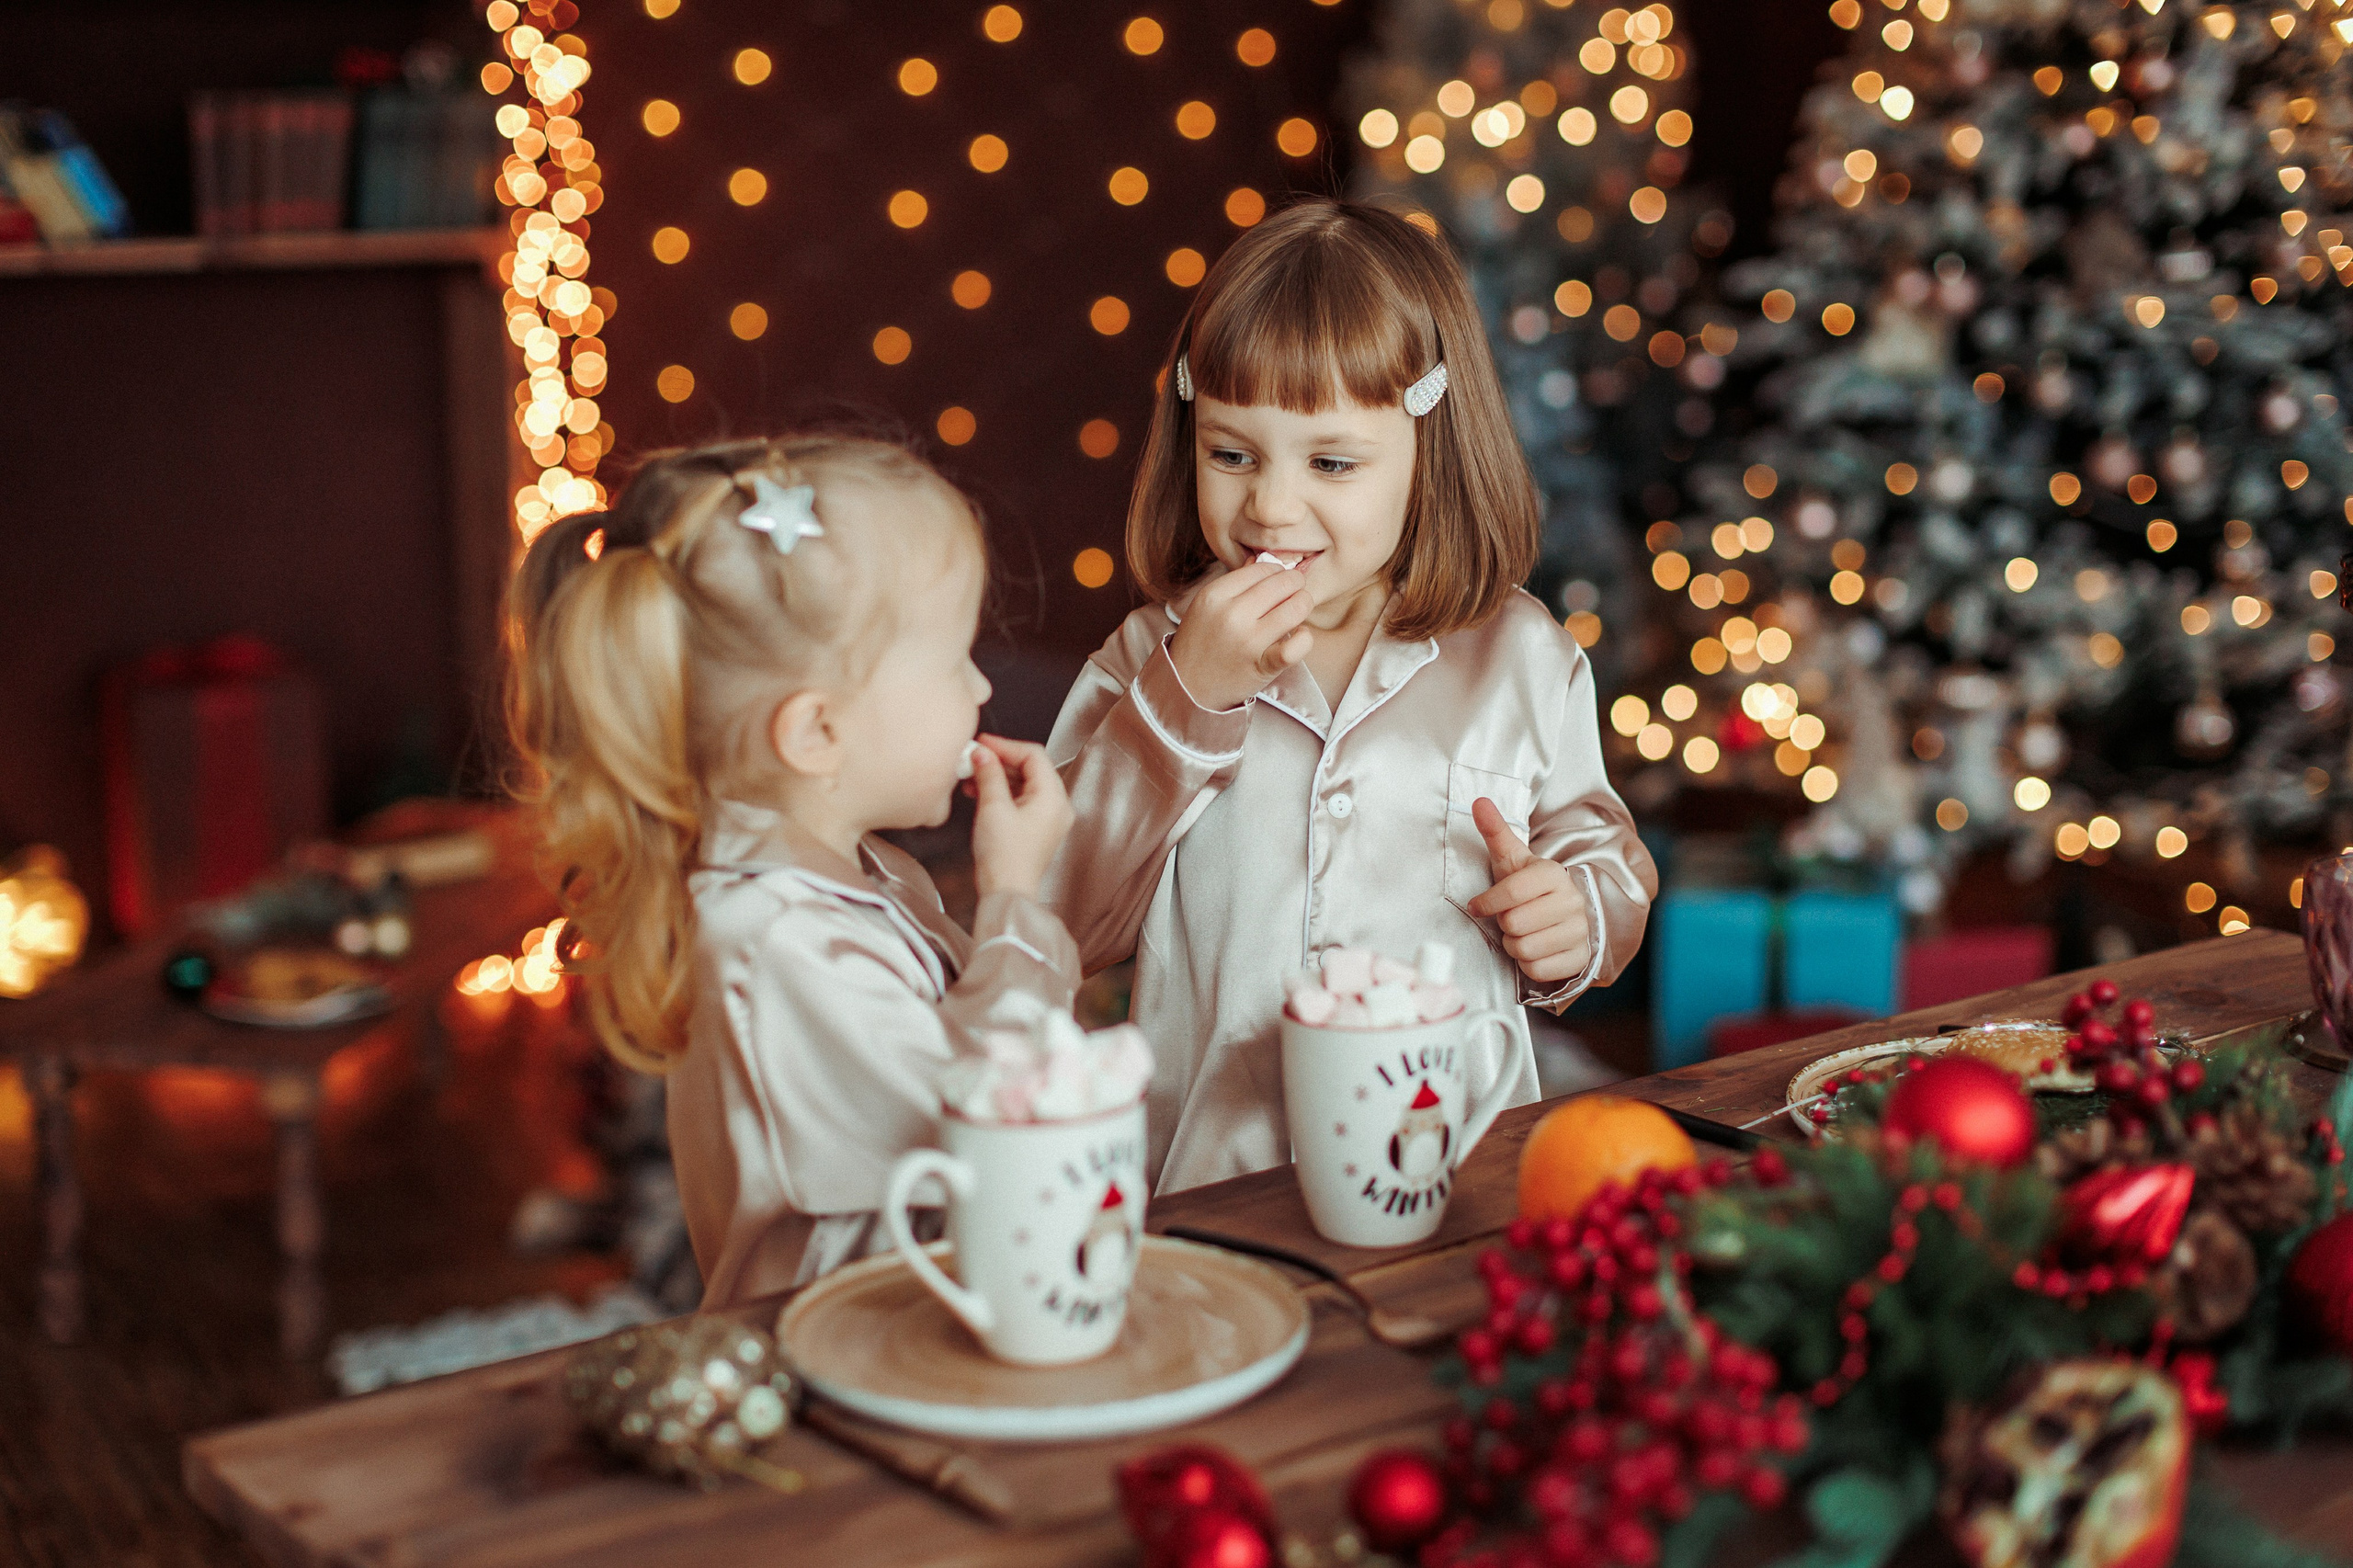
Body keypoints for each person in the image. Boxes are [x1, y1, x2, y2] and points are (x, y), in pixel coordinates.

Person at [1042, 198, 1657, 1194]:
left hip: (1454, 1170)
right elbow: (1056, 919)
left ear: (1430, 448)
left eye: (1330, 462)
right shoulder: (1146, 657)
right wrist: (1184, 699)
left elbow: (1602, 852)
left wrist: (1577, 915)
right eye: (1231, 453)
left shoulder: (1522, 656)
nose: (1269, 507)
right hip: (1207, 1186)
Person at [507, 433, 1077, 1305]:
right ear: (816, 733)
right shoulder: (781, 942)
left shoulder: (847, 875)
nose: (980, 691)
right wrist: (1012, 897)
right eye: (952, 660)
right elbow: (993, 1118)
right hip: (854, 1367)